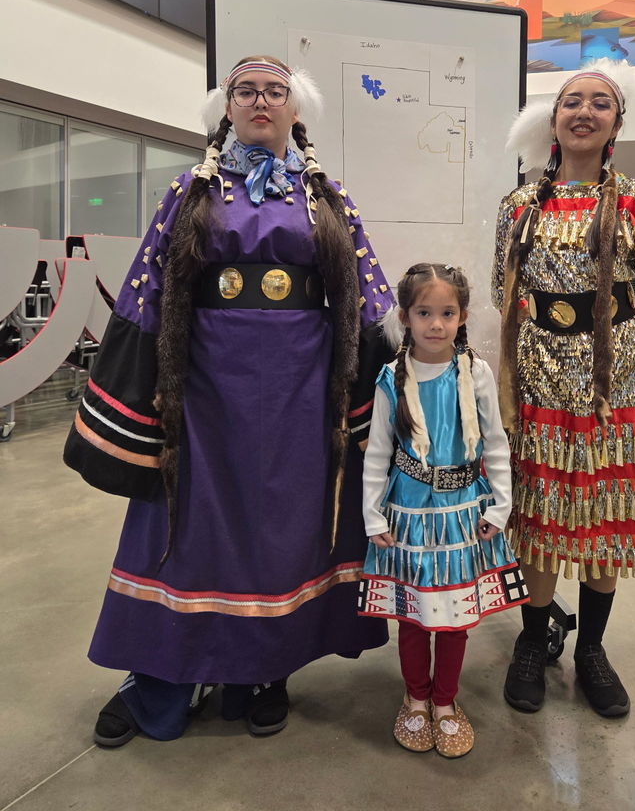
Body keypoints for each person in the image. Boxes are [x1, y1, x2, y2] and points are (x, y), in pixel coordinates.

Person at [64, 55, 394, 745]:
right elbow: (147, 291)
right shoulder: (191, 190)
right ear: (228, 107)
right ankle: (159, 677)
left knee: (288, 527)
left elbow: (365, 298)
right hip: (205, 391)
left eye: (276, 91)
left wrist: (384, 393)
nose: (261, 100)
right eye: (247, 90)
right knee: (185, 527)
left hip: (301, 392)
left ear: (294, 110)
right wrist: (142, 393)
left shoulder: (327, 197)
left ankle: (264, 672)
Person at [493, 58, 635, 718]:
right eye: (571, 101)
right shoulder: (520, 204)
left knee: (606, 516)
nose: (583, 111)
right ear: (553, 120)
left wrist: (621, 326)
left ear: (616, 123)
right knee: (544, 519)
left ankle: (593, 651)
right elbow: (506, 292)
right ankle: (533, 641)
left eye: (599, 104)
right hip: (539, 375)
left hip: (620, 382)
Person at [359, 263, 528, 757]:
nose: (436, 323)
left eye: (447, 313)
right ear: (406, 317)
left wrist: (501, 507)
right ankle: (415, 697)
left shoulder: (475, 373)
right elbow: (378, 452)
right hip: (408, 511)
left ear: (463, 316)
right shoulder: (391, 378)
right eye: (424, 312)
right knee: (413, 614)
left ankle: (446, 702)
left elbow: (494, 443)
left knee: (456, 615)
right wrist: (373, 515)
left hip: (463, 515)